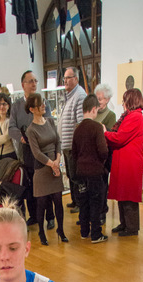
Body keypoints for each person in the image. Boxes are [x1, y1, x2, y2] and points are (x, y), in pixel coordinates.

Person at [9, 69, 55, 228]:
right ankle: (34, 216)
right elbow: (11, 128)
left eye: (36, 81)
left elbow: (49, 122)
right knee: (30, 186)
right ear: (23, 85)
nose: (34, 84)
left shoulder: (44, 102)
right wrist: (22, 137)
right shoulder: (16, 106)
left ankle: (50, 217)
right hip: (27, 151)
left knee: (45, 185)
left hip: (42, 149)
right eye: (30, 81)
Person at [26, 93, 68, 246]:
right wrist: (52, 164)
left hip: (54, 165)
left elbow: (58, 142)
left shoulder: (50, 121)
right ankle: (41, 232)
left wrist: (57, 160)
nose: (43, 105)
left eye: (43, 102)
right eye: (39, 104)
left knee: (58, 201)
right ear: (32, 109)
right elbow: (36, 153)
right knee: (42, 203)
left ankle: (61, 230)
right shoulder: (31, 130)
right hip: (43, 169)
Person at [105, 88, 143, 237]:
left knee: (129, 196)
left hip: (130, 163)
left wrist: (104, 133)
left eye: (124, 100)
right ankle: (124, 223)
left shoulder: (135, 117)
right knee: (122, 194)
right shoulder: (130, 116)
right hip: (124, 161)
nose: (122, 104)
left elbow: (120, 138)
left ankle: (132, 227)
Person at [71, 94, 108, 243]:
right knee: (95, 203)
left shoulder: (77, 129)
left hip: (81, 172)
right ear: (94, 109)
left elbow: (74, 153)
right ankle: (96, 234)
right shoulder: (97, 127)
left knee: (84, 203)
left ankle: (84, 231)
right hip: (94, 171)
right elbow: (103, 151)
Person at [58, 67, 87, 212]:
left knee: (76, 176)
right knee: (70, 175)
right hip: (67, 145)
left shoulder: (80, 95)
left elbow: (80, 123)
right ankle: (75, 201)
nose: (65, 81)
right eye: (64, 78)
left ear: (76, 78)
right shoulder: (70, 95)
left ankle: (80, 203)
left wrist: (77, 145)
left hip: (73, 146)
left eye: (68, 78)